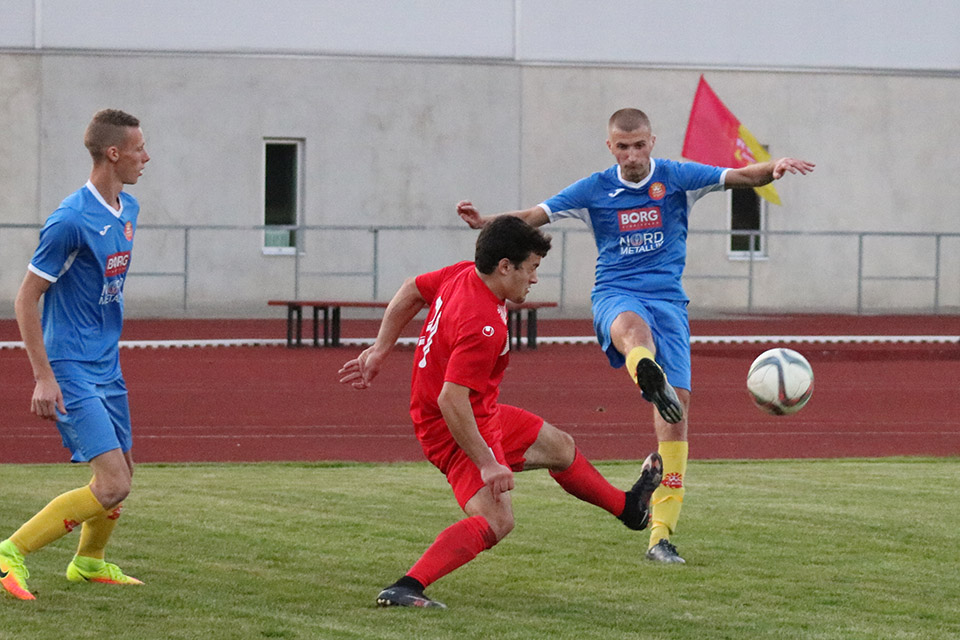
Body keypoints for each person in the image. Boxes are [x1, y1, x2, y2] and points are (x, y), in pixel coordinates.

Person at [458, 108, 814, 564]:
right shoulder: (594, 189)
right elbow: (532, 215)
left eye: (639, 145)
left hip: (670, 303)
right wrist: (485, 221)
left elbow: (741, 176)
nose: (632, 155)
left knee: (676, 420)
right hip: (616, 293)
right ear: (610, 147)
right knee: (633, 330)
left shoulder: (678, 178)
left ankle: (660, 537)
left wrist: (774, 166)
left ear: (652, 142)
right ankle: (646, 370)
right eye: (623, 147)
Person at [338, 216, 663, 609]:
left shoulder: (463, 274)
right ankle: (406, 586)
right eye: (532, 268)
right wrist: (487, 462)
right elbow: (451, 400)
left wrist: (380, 349)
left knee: (560, 447)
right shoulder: (483, 325)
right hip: (456, 428)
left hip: (479, 413)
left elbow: (411, 290)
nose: (535, 279)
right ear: (505, 266)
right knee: (498, 521)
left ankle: (630, 509)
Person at [0, 109, 150, 600]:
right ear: (113, 153)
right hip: (70, 367)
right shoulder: (69, 220)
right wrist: (44, 377)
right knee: (112, 484)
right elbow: (26, 298)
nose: (146, 157)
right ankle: (9, 553)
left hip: (107, 364)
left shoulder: (128, 208)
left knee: (123, 472)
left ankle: (89, 562)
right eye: (139, 149)